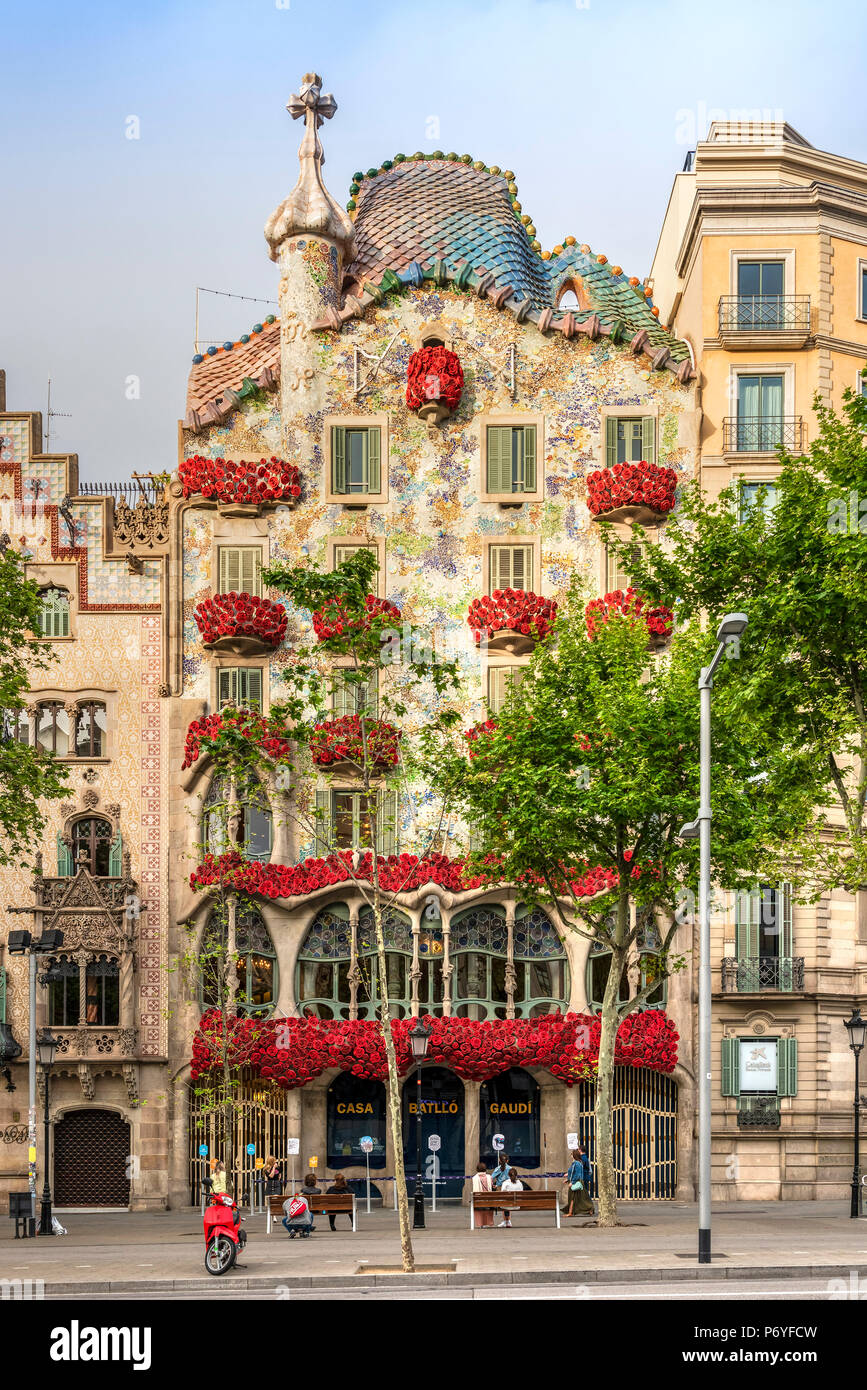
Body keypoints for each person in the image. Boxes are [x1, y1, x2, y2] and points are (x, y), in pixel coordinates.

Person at [563, 1147, 594, 1217]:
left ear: (574, 1155)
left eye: (571, 1154)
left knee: (573, 1198)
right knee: (578, 1198)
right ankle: (589, 1209)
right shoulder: (576, 1163)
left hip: (576, 1182)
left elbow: (577, 1174)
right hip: (575, 1181)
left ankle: (571, 1212)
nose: (571, 1156)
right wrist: (568, 1179)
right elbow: (573, 1173)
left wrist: (572, 1182)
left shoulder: (576, 1163)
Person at [472, 1161, 494, 1227]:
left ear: (477, 1169)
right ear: (485, 1169)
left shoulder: (474, 1178)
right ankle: (489, 1223)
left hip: (479, 1199)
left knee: (479, 1208)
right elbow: (492, 1186)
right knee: (488, 1206)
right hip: (488, 1199)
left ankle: (480, 1224)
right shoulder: (489, 1177)